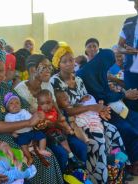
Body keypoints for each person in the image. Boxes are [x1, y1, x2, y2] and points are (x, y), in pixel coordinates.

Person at [0, 45, 64, 184]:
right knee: (31, 161)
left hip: (15, 133)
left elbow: (25, 108)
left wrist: (39, 118)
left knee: (48, 156)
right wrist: (28, 122)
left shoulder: (5, 86)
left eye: (1, 70)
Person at [50, 46, 126, 184]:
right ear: (57, 64)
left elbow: (86, 99)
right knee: (98, 140)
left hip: (86, 117)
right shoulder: (55, 81)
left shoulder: (78, 79)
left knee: (113, 131)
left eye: (71, 60)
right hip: (71, 122)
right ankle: (97, 179)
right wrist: (91, 107)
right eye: (64, 61)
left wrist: (99, 109)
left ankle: (116, 174)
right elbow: (62, 111)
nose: (69, 64)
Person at [15, 54, 87, 175]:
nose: (50, 70)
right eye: (45, 67)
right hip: (37, 134)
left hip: (54, 127)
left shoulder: (46, 84)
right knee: (62, 152)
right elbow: (26, 121)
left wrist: (61, 119)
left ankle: (80, 176)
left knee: (81, 146)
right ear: (33, 70)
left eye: (49, 67)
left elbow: (54, 104)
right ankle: (62, 179)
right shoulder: (20, 90)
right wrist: (54, 124)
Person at [77, 48, 138, 177]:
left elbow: (105, 93)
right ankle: (128, 164)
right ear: (104, 60)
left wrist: (116, 93)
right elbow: (102, 96)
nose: (109, 67)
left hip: (104, 107)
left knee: (134, 119)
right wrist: (124, 94)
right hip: (93, 112)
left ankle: (133, 160)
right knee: (125, 127)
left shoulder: (98, 69)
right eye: (109, 63)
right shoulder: (88, 73)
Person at [37, 89, 85, 168]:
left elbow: (57, 122)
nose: (45, 106)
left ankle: (72, 163)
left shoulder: (53, 111)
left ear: (52, 102)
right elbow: (49, 124)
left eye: (48, 103)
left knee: (66, 140)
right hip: (47, 133)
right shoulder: (40, 113)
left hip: (56, 131)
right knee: (63, 141)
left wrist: (61, 124)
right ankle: (72, 157)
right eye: (42, 104)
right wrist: (56, 122)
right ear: (38, 104)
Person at [4, 92, 51, 166]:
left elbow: (32, 119)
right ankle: (29, 158)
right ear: (7, 107)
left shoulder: (24, 111)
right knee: (23, 145)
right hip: (21, 135)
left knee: (42, 136)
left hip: (31, 131)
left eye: (17, 103)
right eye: (11, 103)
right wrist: (12, 133)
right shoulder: (8, 116)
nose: (15, 104)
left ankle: (42, 149)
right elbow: (8, 127)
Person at [117, 0, 138, 112]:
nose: (136, 5)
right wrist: (129, 52)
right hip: (131, 70)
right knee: (133, 102)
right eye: (135, 2)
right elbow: (119, 46)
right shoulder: (129, 23)